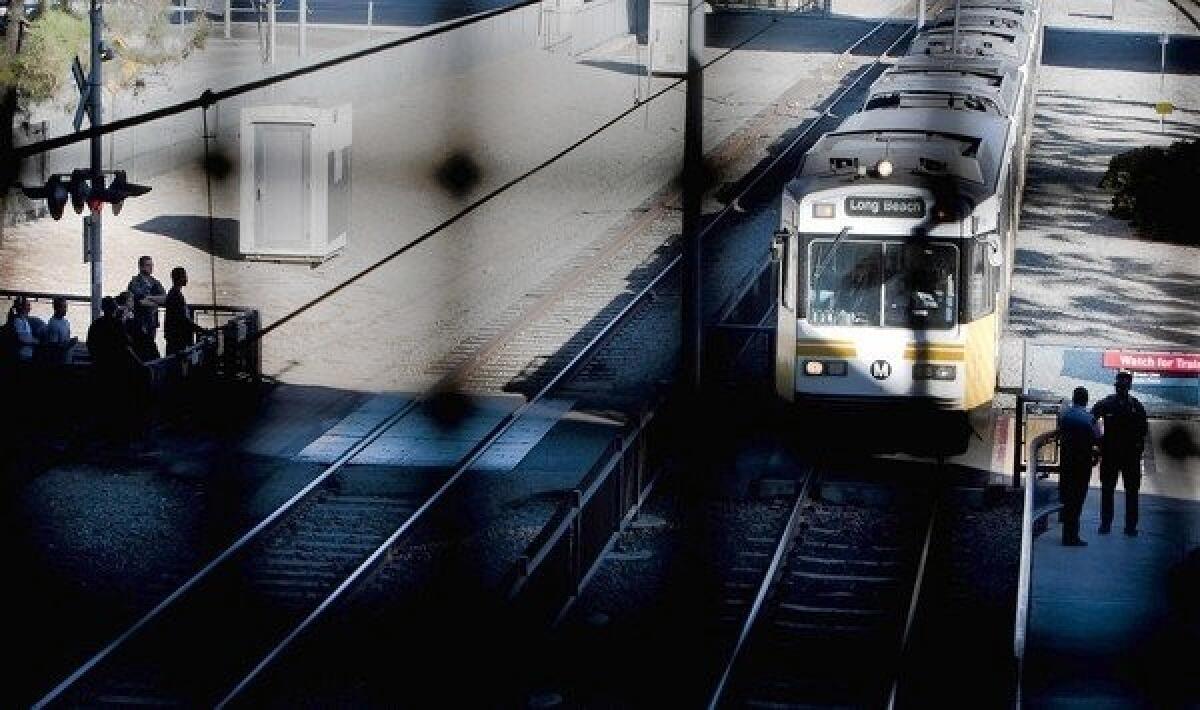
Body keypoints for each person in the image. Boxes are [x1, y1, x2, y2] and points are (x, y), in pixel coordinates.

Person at [1092, 370, 1149, 536]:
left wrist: (1099, 440)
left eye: (1123, 385)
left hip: (1128, 456)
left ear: (1128, 386)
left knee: (1129, 492)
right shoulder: (1108, 404)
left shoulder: (1135, 406)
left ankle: (1126, 526)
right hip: (1112, 455)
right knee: (1110, 490)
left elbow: (1143, 430)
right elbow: (1092, 419)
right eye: (1120, 385)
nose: (1121, 388)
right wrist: (1099, 440)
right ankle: (1109, 525)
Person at [1057, 386, 1099, 546]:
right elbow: (1098, 437)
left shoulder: (1065, 415)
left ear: (1073, 398)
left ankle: (1066, 530)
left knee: (1067, 496)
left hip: (1067, 461)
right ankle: (1071, 536)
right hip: (1082, 464)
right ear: (1086, 400)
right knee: (1078, 499)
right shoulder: (1089, 419)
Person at [127, 255, 166, 360]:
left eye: (151, 265)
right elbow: (140, 301)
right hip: (140, 323)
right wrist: (155, 301)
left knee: (150, 348)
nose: (151, 267)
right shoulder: (135, 282)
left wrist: (149, 297)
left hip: (152, 322)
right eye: (148, 265)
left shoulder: (155, 282)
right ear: (141, 267)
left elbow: (165, 299)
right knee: (140, 350)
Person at [163, 267, 208, 356]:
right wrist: (200, 329)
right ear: (180, 279)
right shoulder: (177, 296)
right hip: (177, 337)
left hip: (173, 336)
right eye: (185, 276)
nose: (187, 279)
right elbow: (183, 320)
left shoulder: (173, 293)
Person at [39, 296, 77, 364]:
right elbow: (54, 348)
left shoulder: (66, 321)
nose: (66, 310)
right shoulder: (53, 325)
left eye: (66, 307)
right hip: (60, 361)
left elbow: (65, 340)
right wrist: (70, 344)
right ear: (56, 308)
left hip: (67, 358)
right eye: (63, 307)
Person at [8, 296, 38, 362]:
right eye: (28, 305)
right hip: (23, 355)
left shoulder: (24, 320)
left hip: (27, 353)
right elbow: (22, 338)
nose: (30, 308)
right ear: (22, 307)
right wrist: (36, 341)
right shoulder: (18, 321)